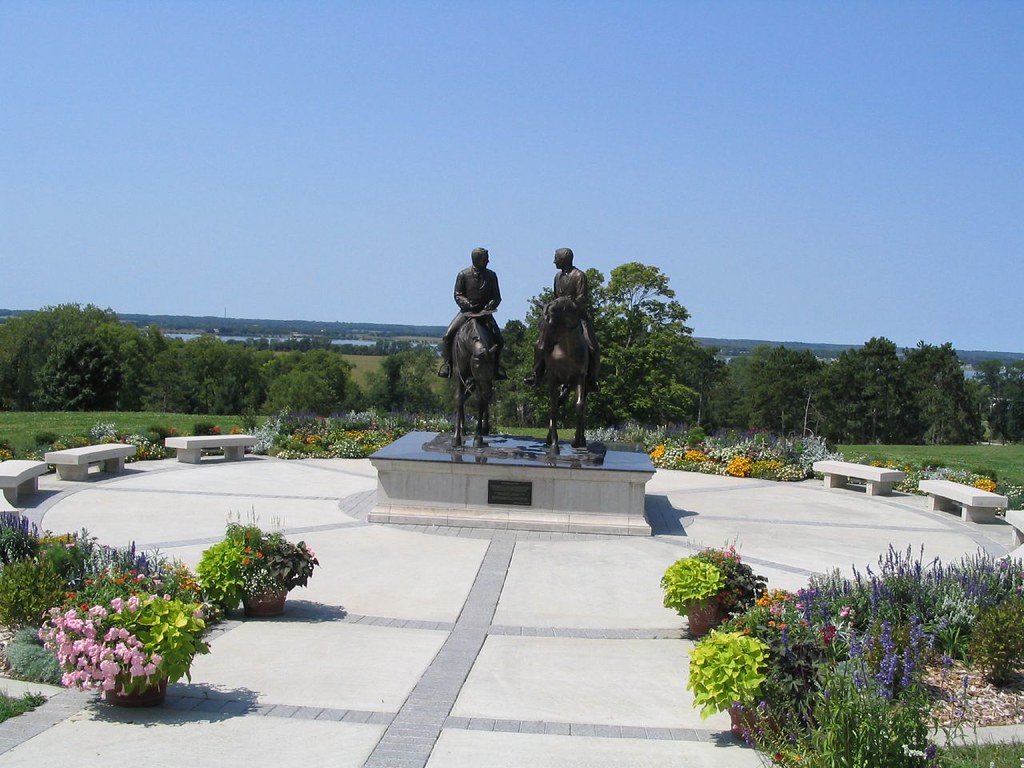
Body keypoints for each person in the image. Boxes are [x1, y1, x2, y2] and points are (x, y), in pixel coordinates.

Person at [524, 247, 600, 390]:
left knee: (593, 347)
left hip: (576, 317)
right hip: (558, 319)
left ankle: (592, 379)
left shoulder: (579, 276)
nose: (554, 262)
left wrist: (567, 305)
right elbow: (555, 298)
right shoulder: (557, 277)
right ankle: (537, 373)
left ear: (564, 259)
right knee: (540, 344)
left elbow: (582, 299)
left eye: (556, 259)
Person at [437, 247, 506, 380]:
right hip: (466, 313)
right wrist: (467, 304)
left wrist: (491, 304)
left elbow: (497, 296)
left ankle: (496, 368)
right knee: (447, 336)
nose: (488, 261)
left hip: (485, 314)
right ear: (477, 259)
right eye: (485, 259)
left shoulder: (492, 275)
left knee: (499, 340)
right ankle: (447, 365)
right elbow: (458, 295)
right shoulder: (463, 274)